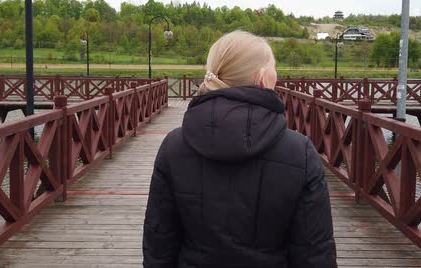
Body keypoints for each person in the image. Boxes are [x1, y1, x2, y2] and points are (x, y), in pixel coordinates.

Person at [143, 31, 336, 267]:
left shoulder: (173, 146)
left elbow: (159, 245)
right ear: (263, 78)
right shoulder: (300, 152)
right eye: (274, 68)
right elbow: (314, 254)